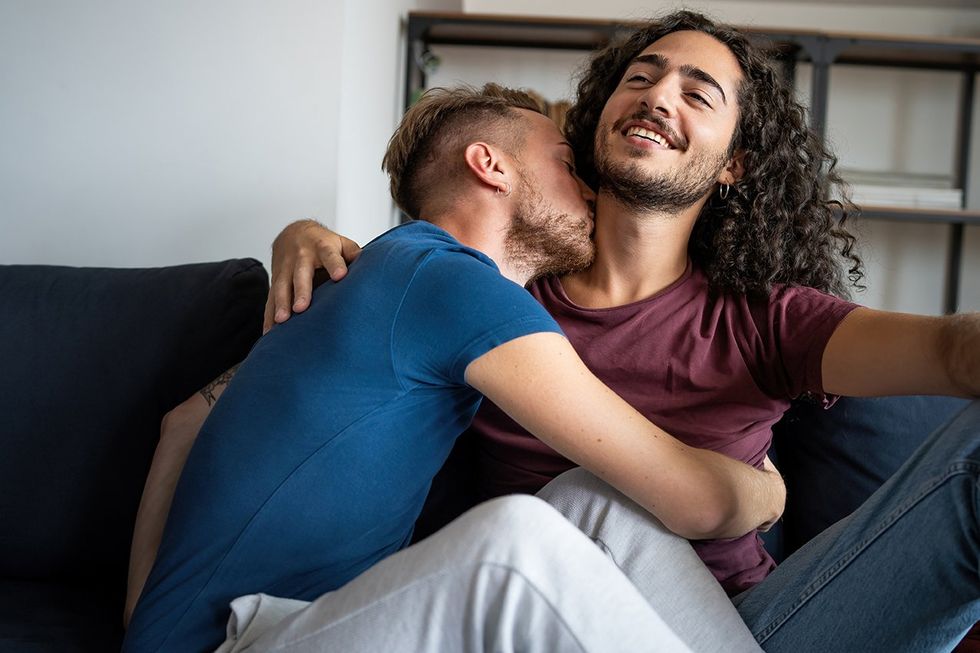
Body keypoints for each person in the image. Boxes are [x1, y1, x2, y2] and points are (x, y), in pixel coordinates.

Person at [270, 10, 980, 652]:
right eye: (641, 77)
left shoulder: (767, 317)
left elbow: (949, 351)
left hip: (753, 625)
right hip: (548, 621)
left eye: (698, 94)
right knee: (588, 497)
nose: (659, 94)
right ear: (601, 114)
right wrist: (307, 238)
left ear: (734, 163)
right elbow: (404, 292)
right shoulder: (499, 297)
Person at [123, 83, 783, 652]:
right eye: (564, 164)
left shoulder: (380, 274)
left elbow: (180, 424)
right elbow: (695, 499)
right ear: (489, 165)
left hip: (312, 626)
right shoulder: (452, 280)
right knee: (516, 540)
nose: (586, 189)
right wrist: (767, 490)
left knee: (595, 500)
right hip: (256, 638)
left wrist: (142, 631)